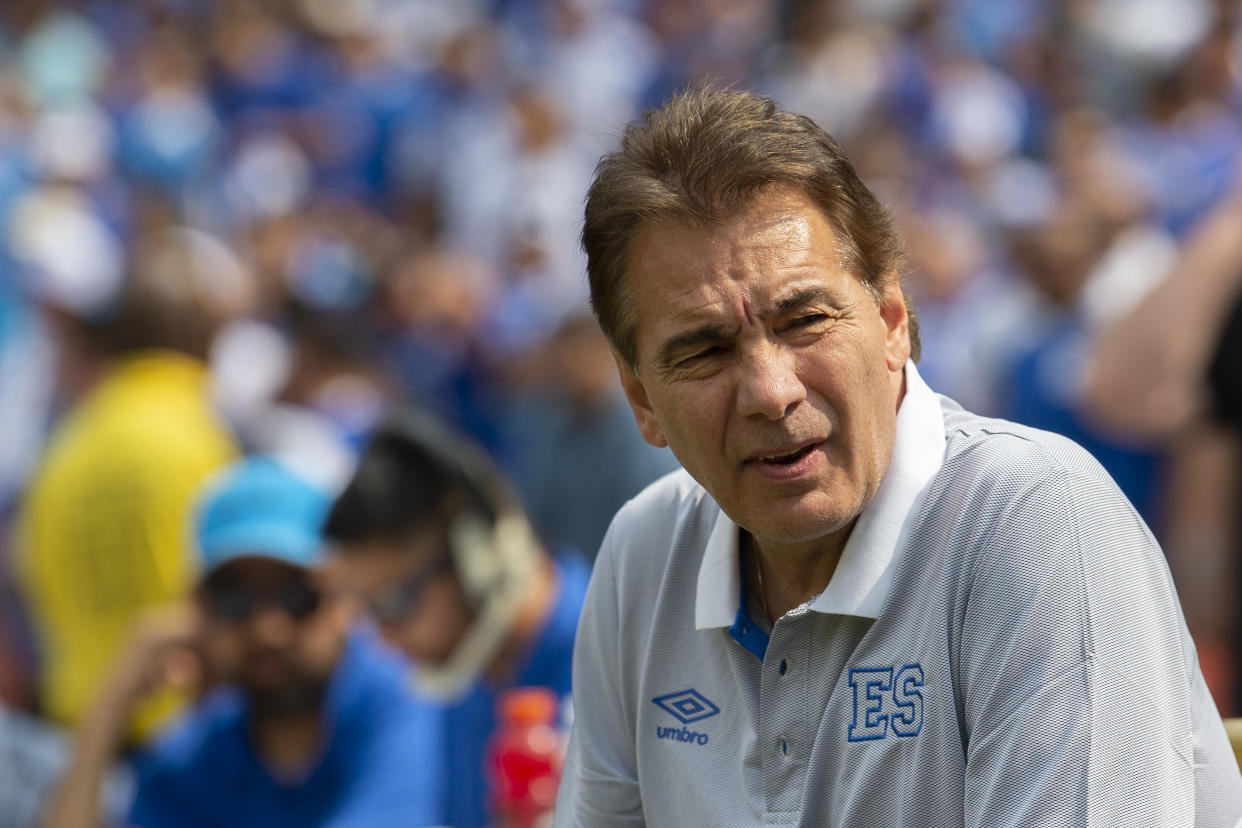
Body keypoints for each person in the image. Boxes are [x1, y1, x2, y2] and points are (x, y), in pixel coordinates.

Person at [553, 87, 1242, 827]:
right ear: (642, 400)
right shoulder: (643, 554)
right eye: (705, 350)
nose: (770, 392)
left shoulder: (1041, 525)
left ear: (891, 323)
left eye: (806, 319)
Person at [40, 456, 448, 828]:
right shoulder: (192, 756)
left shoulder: (406, 701)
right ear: (198, 614)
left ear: (347, 597)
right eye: (234, 602)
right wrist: (109, 706)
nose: (267, 629)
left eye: (296, 596)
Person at [15, 229, 242, 739]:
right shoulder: (202, 434)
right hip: (186, 731)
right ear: (205, 336)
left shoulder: (63, 448)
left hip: (77, 737)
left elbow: (31, 584)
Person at [323, 407, 589, 828]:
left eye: (392, 604)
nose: (382, 639)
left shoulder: (619, 653)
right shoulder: (463, 676)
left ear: (477, 553)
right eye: (364, 611)